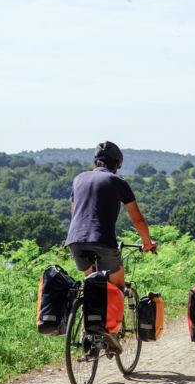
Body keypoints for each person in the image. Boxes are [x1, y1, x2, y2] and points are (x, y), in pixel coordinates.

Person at [65, 141, 157, 350]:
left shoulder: (78, 179)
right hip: (103, 241)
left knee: (90, 284)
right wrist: (147, 243)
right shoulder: (117, 181)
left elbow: (75, 213)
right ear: (116, 164)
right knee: (117, 286)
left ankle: (86, 333)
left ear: (96, 161)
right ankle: (112, 334)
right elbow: (138, 219)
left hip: (76, 241)